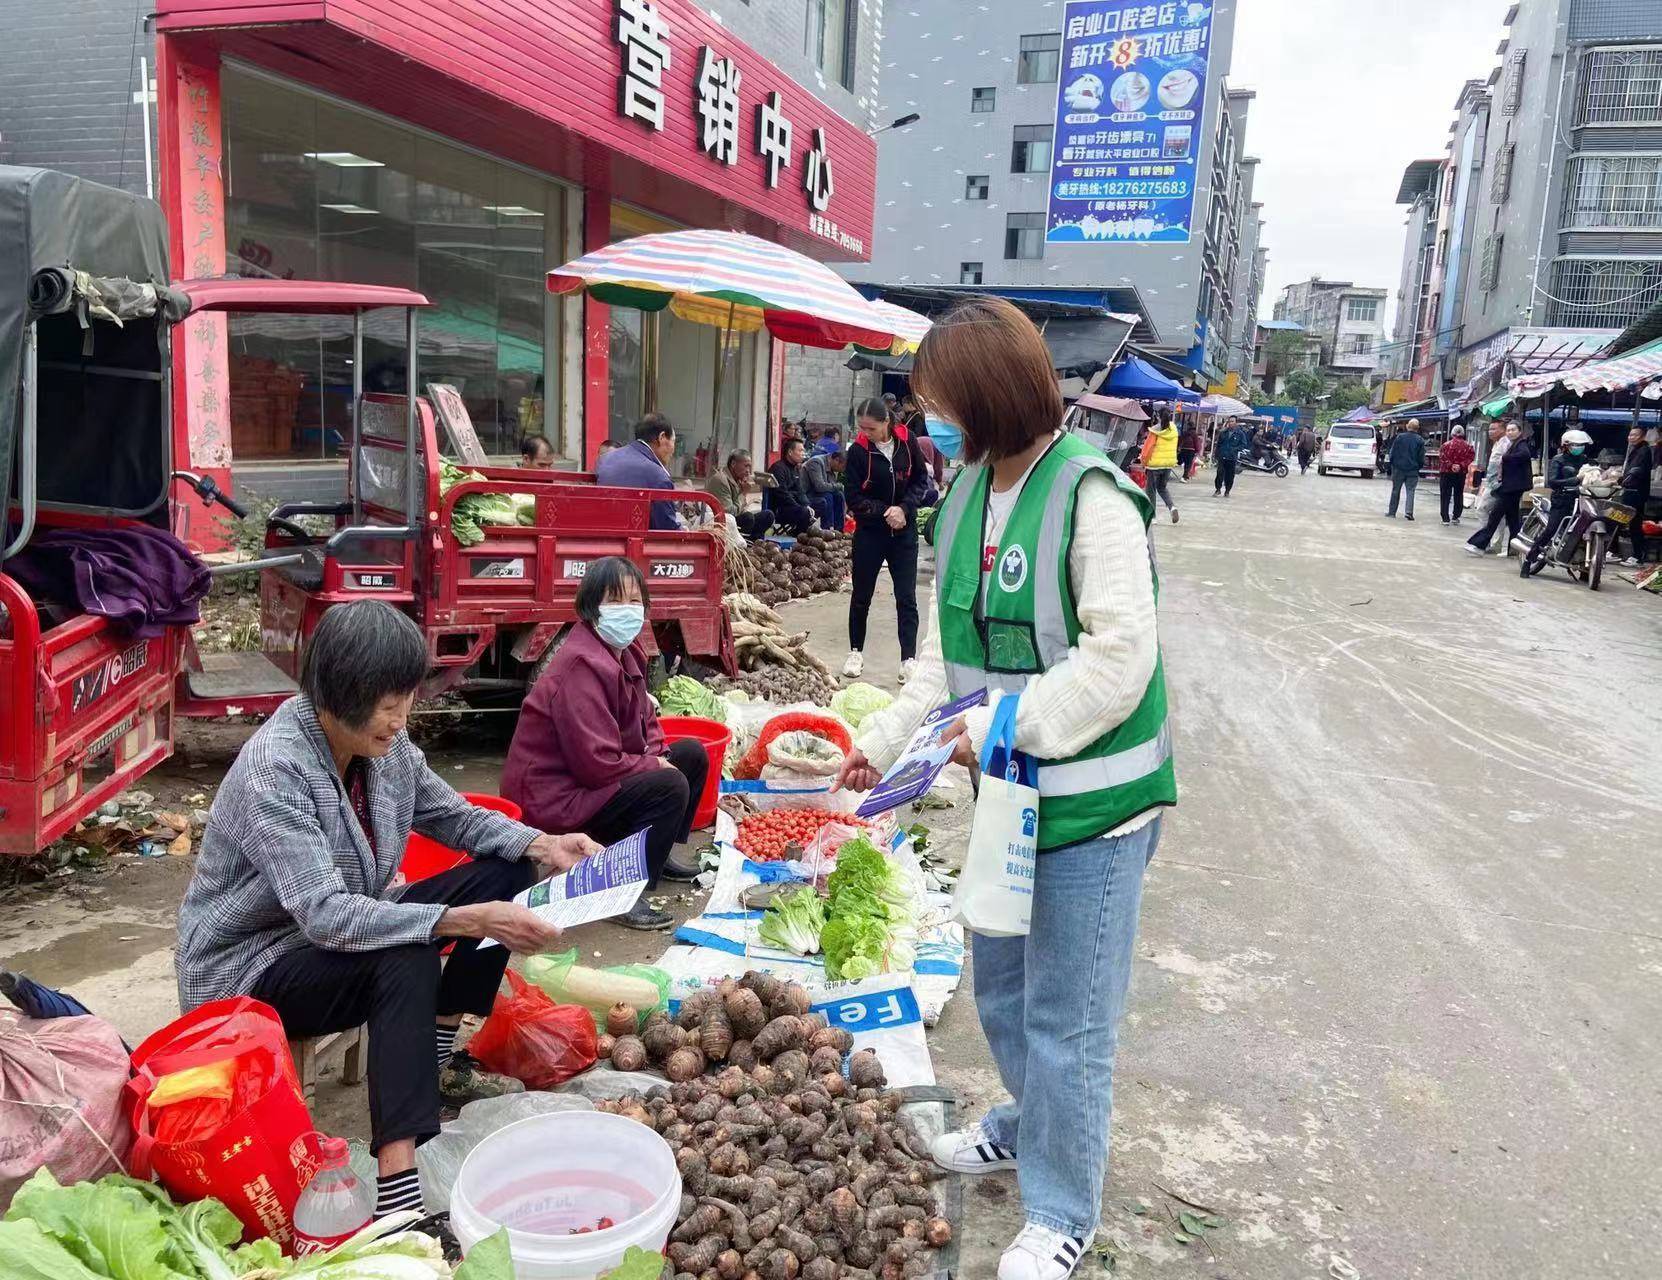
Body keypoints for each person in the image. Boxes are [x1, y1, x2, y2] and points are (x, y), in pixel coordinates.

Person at [834, 297, 1172, 1280]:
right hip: (1013, 800)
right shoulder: (964, 498)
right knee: (1009, 992)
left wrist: (997, 728)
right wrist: (882, 742)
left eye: (938, 401)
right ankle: (1030, 1126)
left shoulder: (1091, 494)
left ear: (984, 397)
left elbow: (1119, 660)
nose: (927, 419)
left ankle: (1062, 1209)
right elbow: (948, 660)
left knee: (1070, 1019)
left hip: (1098, 811)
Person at [175, 600, 599, 1220]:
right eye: (388, 705)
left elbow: (454, 816)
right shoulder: (277, 770)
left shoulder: (384, 747)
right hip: (255, 964)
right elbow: (325, 915)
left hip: (344, 922)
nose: (401, 721)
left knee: (507, 871)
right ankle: (399, 1195)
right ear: (337, 695)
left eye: (406, 702)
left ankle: (434, 1056)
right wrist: (468, 920)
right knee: (407, 954)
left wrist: (544, 845)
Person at [502, 557, 706, 932]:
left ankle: (657, 856)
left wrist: (659, 754)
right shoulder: (580, 664)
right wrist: (653, 766)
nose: (627, 610)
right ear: (591, 607)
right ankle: (620, 892)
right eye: (615, 600)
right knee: (668, 784)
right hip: (555, 797)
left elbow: (646, 719)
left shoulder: (627, 652)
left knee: (690, 755)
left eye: (634, 600)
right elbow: (595, 765)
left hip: (592, 776)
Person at [843, 396, 929, 683]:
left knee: (906, 597)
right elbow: (853, 496)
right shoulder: (858, 452)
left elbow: (920, 481)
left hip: (903, 534)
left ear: (886, 422)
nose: (865, 433)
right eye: (862, 428)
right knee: (861, 595)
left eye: (871, 428)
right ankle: (855, 651)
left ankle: (908, 659)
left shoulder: (908, 442)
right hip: (870, 533)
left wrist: (903, 509)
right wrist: (885, 512)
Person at [1523, 429, 1593, 568]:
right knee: (1551, 529)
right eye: (1575, 445)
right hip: (1561, 499)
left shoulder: (1584, 459)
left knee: (1583, 531)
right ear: (1566, 445)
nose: (1579, 447)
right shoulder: (1558, 460)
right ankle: (1528, 560)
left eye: (1581, 445)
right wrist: (1575, 479)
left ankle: (1584, 570)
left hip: (1580, 499)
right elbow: (1552, 482)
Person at [597, 415, 679, 531]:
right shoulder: (659, 477)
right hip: (636, 538)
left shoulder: (605, 459)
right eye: (673, 441)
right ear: (662, 437)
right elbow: (667, 529)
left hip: (604, 530)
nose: (673, 449)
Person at [1467, 422, 1532, 555]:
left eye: (1513, 430)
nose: (1510, 432)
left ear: (1519, 432)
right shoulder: (1512, 444)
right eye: (1509, 430)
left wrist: (1505, 458)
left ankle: (1480, 546)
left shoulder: (1521, 445)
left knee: (1494, 516)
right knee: (1513, 520)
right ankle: (1514, 550)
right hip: (1510, 487)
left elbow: (1524, 455)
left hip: (1511, 488)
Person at [705, 449, 775, 540]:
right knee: (748, 518)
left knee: (768, 515)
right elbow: (730, 513)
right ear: (733, 464)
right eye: (746, 466)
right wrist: (743, 494)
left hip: (735, 519)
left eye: (749, 467)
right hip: (723, 522)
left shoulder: (738, 478)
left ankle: (755, 542)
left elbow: (741, 509)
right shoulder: (721, 479)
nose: (748, 471)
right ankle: (745, 543)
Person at [1619, 426, 1653, 567]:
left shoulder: (1644, 451)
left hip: (1636, 493)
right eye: (1630, 435)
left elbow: (1636, 471)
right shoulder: (1636, 449)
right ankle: (1614, 551)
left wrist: (1622, 482)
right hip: (1631, 492)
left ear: (1642, 436)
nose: (1631, 437)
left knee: (1634, 525)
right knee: (1622, 521)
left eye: (1635, 435)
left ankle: (1638, 557)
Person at [767, 437, 816, 534]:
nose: (803, 453)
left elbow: (800, 490)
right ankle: (798, 536)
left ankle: (797, 532)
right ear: (790, 452)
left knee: (820, 503)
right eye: (800, 450)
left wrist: (807, 505)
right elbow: (782, 494)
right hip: (781, 508)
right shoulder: (778, 468)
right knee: (804, 512)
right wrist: (800, 507)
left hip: (794, 504)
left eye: (803, 450)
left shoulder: (795, 469)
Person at [1141, 408, 1180, 524]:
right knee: (1162, 488)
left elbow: (1148, 448)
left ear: (1158, 416)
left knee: (1151, 491)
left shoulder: (1154, 430)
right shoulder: (1174, 429)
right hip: (1168, 464)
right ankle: (1172, 507)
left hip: (1154, 465)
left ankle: (1153, 517)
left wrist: (1143, 461)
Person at [1386, 418, 1426, 520]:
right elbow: (1421, 457)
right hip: (1413, 469)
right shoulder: (1420, 440)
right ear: (1417, 428)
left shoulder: (1400, 437)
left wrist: (1392, 464)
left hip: (1398, 468)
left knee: (1396, 490)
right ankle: (1409, 512)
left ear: (1408, 426)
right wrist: (1418, 467)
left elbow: (1392, 452)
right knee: (1410, 490)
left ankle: (1392, 512)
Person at [804, 438, 848, 531]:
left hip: (819, 494)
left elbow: (831, 487)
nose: (843, 470)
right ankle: (827, 528)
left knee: (838, 495)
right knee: (828, 496)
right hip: (807, 495)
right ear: (836, 460)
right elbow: (819, 486)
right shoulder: (816, 462)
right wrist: (839, 486)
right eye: (843, 467)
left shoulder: (832, 468)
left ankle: (839, 529)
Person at [1437, 425, 1476, 525]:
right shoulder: (1468, 446)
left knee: (1445, 495)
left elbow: (1442, 457)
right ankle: (1456, 516)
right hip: (1460, 473)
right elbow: (1471, 458)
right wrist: (1460, 465)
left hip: (1446, 472)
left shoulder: (1445, 445)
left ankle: (1445, 518)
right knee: (1458, 494)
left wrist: (1451, 465)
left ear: (1452, 433)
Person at [1213, 417, 1250, 497]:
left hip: (1232, 458)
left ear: (1236, 423)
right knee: (1219, 473)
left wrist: (1235, 449)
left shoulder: (1240, 434)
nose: (1230, 423)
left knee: (1229, 475)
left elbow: (1243, 444)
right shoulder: (1223, 432)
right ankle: (1218, 489)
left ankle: (1227, 491)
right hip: (1222, 456)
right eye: (1229, 421)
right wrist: (1216, 454)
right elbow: (1219, 444)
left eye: (1232, 421)